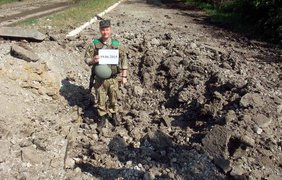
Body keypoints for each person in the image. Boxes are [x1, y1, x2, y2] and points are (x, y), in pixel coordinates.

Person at [84, 19, 128, 132]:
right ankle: (102, 118)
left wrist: (124, 76)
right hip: (99, 80)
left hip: (113, 78)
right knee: (100, 99)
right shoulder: (94, 44)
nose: (105, 32)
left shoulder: (117, 45)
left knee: (113, 98)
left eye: (107, 29)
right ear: (100, 30)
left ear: (110, 29)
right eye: (103, 30)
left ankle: (114, 116)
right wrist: (93, 60)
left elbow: (124, 60)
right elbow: (86, 59)